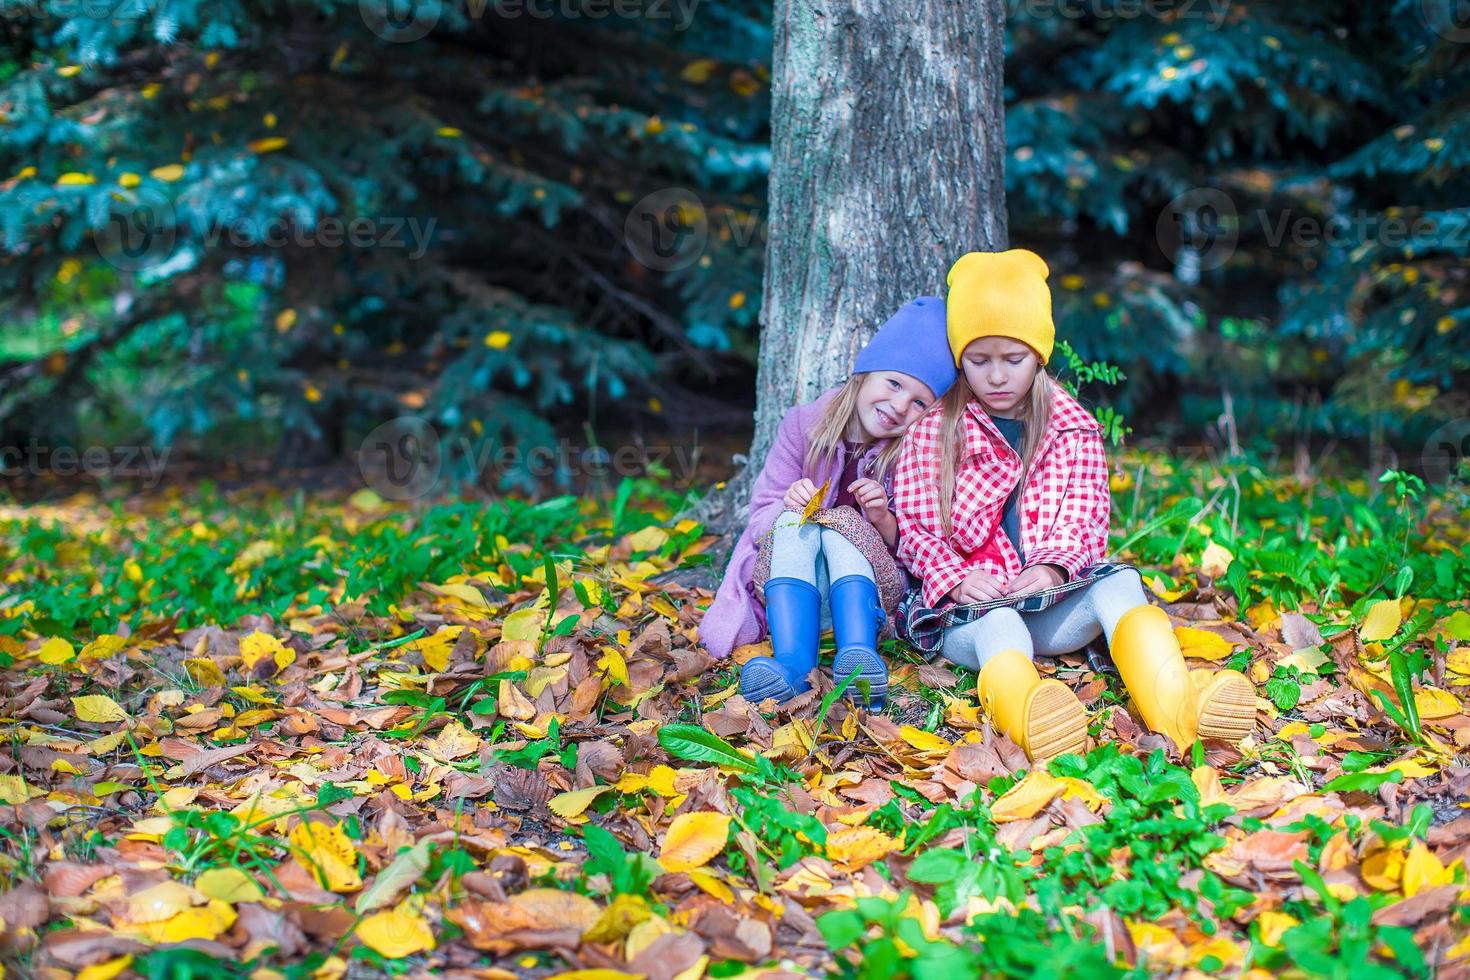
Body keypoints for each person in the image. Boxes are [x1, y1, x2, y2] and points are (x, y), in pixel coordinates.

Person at [891, 249, 1257, 760]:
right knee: (1001, 625)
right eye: (979, 361)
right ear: (960, 360)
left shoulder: (1071, 426)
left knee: (1123, 583)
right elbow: (912, 528)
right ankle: (1030, 717)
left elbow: (1085, 515)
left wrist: (1052, 568)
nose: (996, 376)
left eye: (1012, 359)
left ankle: (1181, 708)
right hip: (967, 614)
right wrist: (954, 577)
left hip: (1047, 606)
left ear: (1039, 354)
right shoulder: (935, 432)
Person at [700, 297, 959, 708]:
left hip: (866, 602)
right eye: (893, 383)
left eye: (919, 403)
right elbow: (759, 517)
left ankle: (859, 657)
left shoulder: (912, 453)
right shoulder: (803, 425)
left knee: (844, 528)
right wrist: (788, 504)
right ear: (865, 371)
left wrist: (881, 518)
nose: (898, 407)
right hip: (794, 595)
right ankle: (792, 666)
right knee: (795, 524)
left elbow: (920, 542)